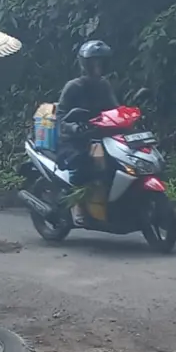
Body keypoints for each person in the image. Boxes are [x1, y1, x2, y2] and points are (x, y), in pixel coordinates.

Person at [56, 40, 118, 225]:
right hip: (74, 139)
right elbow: (60, 116)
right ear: (85, 64)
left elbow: (115, 108)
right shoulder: (73, 87)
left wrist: (126, 119)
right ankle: (77, 204)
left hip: (99, 135)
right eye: (93, 63)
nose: (96, 67)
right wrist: (73, 127)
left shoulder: (104, 85)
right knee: (82, 162)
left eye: (100, 63)